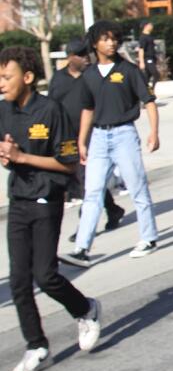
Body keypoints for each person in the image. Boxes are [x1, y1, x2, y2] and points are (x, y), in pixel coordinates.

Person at [0, 46, 102, 371]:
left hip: (47, 200)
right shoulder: (3, 110)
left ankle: (85, 309)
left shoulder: (51, 111)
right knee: (18, 281)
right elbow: (7, 150)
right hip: (18, 200)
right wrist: (6, 156)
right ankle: (37, 346)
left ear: (27, 78)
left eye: (6, 76)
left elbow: (68, 162)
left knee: (44, 275)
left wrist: (22, 158)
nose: (1, 83)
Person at [60, 21, 160, 268]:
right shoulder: (89, 75)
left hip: (124, 134)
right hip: (98, 138)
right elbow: (88, 109)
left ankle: (148, 238)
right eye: (105, 38)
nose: (111, 42)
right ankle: (82, 248)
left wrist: (154, 132)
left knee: (137, 188)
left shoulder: (128, 70)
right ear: (95, 43)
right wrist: (82, 141)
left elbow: (148, 102)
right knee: (92, 192)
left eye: (115, 38)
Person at [48, 37, 124, 229]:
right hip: (68, 137)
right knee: (88, 180)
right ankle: (113, 209)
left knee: (86, 179)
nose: (86, 58)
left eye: (87, 54)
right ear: (70, 57)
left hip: (92, 135)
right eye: (81, 55)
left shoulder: (93, 75)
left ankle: (84, 228)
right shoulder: (58, 79)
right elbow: (52, 107)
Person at [137, 21, 160, 93]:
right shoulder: (143, 37)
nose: (152, 26)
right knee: (156, 74)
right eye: (150, 25)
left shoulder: (150, 36)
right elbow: (141, 49)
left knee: (147, 77)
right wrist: (141, 62)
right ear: (146, 26)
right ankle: (151, 91)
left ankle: (145, 93)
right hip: (147, 59)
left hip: (152, 58)